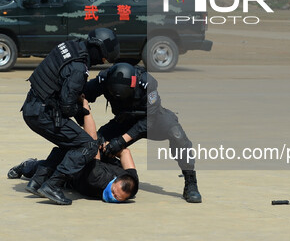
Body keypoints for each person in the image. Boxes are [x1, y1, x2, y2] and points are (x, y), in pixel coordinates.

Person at [21, 28, 119, 205]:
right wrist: (83, 111)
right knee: (88, 146)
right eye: (103, 58)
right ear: (98, 50)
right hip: (44, 113)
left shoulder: (71, 46)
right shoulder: (78, 68)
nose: (102, 62)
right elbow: (67, 107)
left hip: (33, 108)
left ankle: (37, 182)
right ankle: (53, 185)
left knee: (72, 143)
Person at [84, 62, 202, 203]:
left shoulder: (147, 83)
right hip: (125, 119)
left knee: (177, 134)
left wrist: (121, 141)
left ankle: (190, 182)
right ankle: (87, 173)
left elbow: (148, 121)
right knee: (97, 140)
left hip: (152, 120)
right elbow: (85, 94)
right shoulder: (106, 78)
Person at [9, 98, 139, 203]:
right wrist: (107, 145)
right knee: (40, 168)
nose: (112, 196)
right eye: (113, 192)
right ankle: (25, 166)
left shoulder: (131, 183)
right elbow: (93, 142)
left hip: (72, 178)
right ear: (115, 181)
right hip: (76, 163)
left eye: (117, 198)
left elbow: (124, 153)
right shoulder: (98, 177)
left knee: (52, 171)